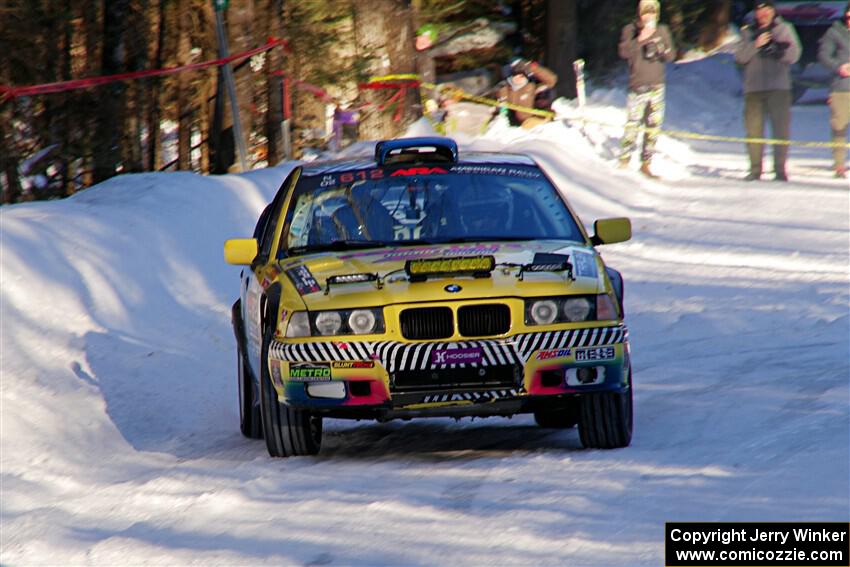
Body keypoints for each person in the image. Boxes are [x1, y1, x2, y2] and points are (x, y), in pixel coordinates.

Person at [735, 0, 801, 182]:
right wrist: (754, 45)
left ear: (773, 11)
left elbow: (795, 55)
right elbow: (740, 58)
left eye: (766, 10)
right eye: (759, 11)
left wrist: (778, 50)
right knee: (754, 131)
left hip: (779, 88)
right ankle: (755, 169)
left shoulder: (784, 29)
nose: (763, 14)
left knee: (781, 130)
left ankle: (780, 169)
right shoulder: (747, 31)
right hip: (754, 88)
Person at [617, 0, 676, 179]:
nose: (649, 16)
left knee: (653, 126)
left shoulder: (662, 30)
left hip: (657, 85)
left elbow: (671, 56)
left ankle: (646, 163)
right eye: (645, 12)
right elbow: (624, 52)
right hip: (637, 85)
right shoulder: (631, 29)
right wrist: (641, 38)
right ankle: (624, 160)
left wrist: (660, 44)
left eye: (652, 12)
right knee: (633, 124)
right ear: (640, 13)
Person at [818, 2, 850, 179]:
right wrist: (839, 67)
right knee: (839, 126)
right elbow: (823, 55)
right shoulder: (834, 32)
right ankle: (839, 165)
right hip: (842, 87)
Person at [496, 58, 558, 129]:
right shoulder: (505, 88)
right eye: (516, 75)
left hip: (532, 120)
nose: (519, 78)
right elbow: (501, 106)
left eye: (522, 76)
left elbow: (551, 80)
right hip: (516, 124)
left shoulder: (531, 88)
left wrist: (534, 68)